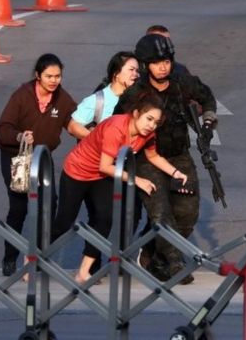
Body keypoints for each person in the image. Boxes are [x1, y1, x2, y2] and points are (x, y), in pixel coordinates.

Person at [53, 90, 188, 283]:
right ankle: (30, 259)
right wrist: (137, 180)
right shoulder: (116, 127)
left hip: (101, 176)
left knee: (105, 218)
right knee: (64, 222)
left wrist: (176, 173)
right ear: (136, 114)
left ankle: (83, 271)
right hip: (78, 171)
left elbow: (153, 157)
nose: (151, 126)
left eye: (156, 122)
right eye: (148, 119)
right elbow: (105, 166)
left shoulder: (147, 135)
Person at [114, 34, 218, 284]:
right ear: (144, 64)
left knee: (187, 211)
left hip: (178, 155)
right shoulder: (136, 93)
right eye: (156, 62)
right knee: (160, 212)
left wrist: (208, 120)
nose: (163, 66)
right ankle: (174, 263)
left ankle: (153, 254)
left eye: (167, 61)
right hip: (146, 159)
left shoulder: (183, 83)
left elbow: (207, 97)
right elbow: (118, 122)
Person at [0, 53, 77, 277]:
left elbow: (75, 120)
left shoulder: (62, 98)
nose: (53, 81)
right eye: (49, 76)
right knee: (19, 207)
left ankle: (38, 256)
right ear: (37, 76)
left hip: (42, 157)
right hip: (17, 157)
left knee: (49, 204)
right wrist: (19, 136)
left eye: (58, 76)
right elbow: (3, 127)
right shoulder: (22, 96)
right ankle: (9, 257)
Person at [67, 51, 139, 275]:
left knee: (127, 214)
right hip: (94, 167)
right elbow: (72, 125)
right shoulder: (99, 100)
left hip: (123, 167)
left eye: (138, 70)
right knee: (97, 216)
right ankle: (91, 264)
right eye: (131, 70)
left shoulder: (138, 100)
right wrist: (96, 140)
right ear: (117, 74)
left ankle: (116, 262)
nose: (136, 74)